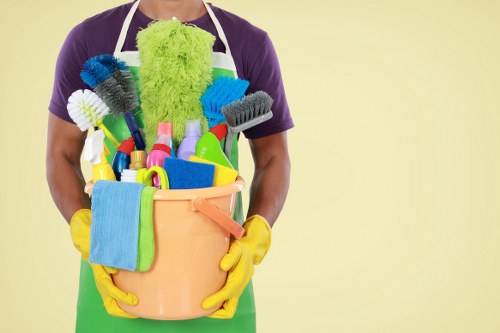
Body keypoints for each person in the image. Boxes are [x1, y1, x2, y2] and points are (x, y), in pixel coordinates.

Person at [46, 0, 293, 332]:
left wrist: (256, 236)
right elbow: (60, 153)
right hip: (116, 270)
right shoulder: (91, 38)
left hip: (217, 272)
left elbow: (273, 157)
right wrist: (83, 225)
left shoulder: (246, 42)